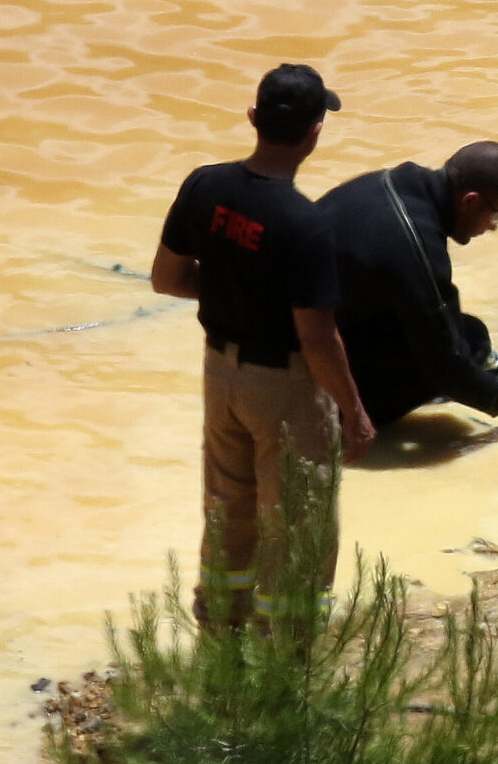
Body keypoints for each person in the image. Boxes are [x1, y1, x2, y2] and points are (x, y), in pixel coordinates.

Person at [151, 64, 375, 627]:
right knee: (299, 524)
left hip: (219, 374)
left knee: (229, 510)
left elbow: (167, 279)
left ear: (253, 119)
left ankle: (220, 637)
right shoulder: (305, 224)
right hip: (287, 388)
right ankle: (286, 659)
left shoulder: (204, 185)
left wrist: (231, 289)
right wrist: (353, 411)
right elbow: (317, 338)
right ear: (315, 132)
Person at [316, 141, 498, 428]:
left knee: (467, 334)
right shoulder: (415, 245)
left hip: (292, 332)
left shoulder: (393, 182)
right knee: (467, 346)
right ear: (470, 201)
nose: (493, 227)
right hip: (306, 375)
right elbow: (446, 367)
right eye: (495, 216)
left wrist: (495, 368)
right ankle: (341, 412)